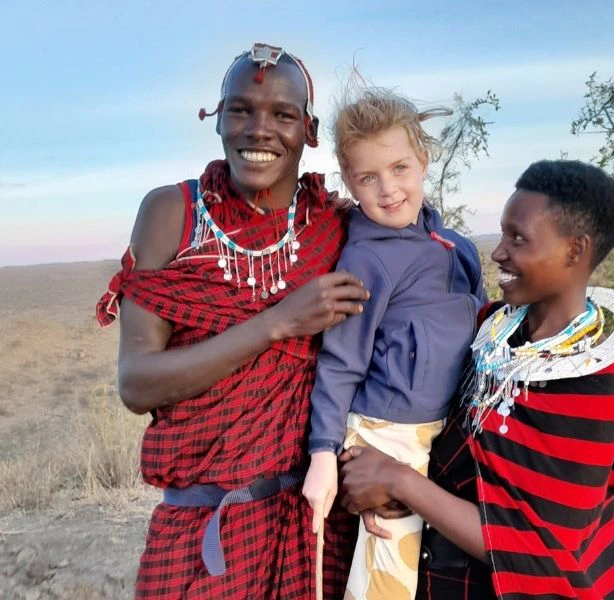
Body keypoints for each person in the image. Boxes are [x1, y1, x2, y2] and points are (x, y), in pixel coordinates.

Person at [340, 160, 614, 599]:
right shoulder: (491, 329)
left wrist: (401, 483)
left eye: (517, 238)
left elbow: (539, 550)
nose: (498, 253)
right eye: (502, 235)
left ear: (575, 250)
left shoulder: (598, 387)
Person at [96, 43, 367, 599]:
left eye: (282, 115)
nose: (259, 130)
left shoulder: (334, 224)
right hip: (200, 533)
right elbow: (136, 384)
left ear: (309, 131)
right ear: (218, 118)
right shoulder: (173, 213)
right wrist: (276, 323)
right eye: (241, 110)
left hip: (313, 523)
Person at [300, 87, 486, 600]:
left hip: (450, 429)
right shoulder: (366, 260)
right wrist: (323, 454)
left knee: (448, 569)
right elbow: (341, 362)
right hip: (388, 435)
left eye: (400, 167)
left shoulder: (457, 248)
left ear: (423, 160)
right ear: (350, 182)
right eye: (368, 178)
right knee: (389, 583)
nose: (388, 189)